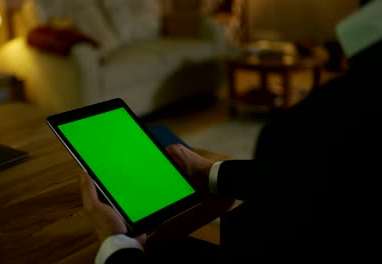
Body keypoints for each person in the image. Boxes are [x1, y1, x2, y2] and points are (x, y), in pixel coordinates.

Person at [78, 1, 382, 263]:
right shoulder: (327, 153)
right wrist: (213, 173)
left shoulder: (295, 134)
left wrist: (117, 243)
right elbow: (323, 180)